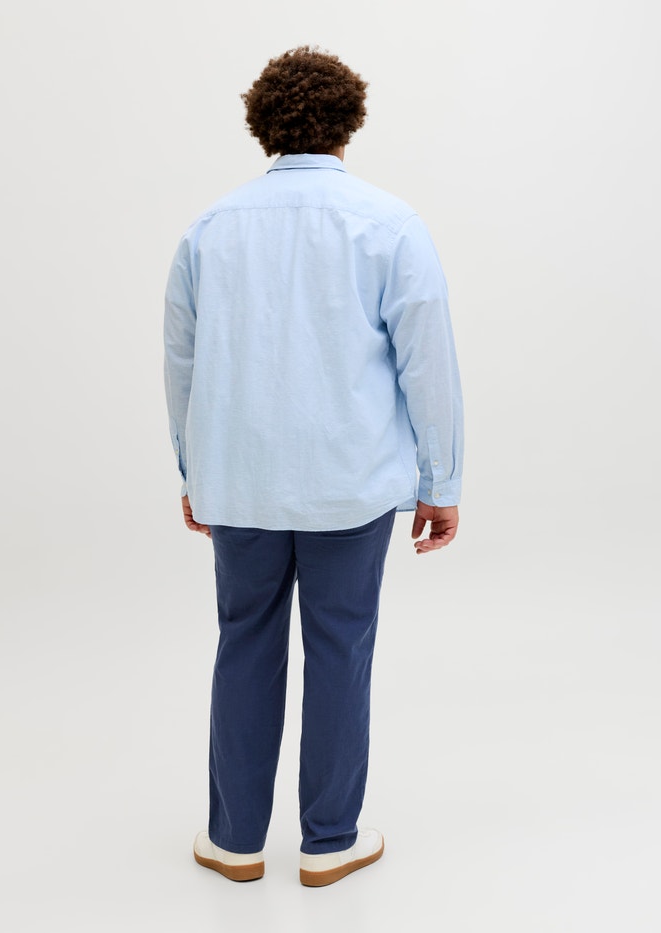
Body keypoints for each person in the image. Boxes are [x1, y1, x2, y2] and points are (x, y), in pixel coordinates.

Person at [163, 45, 464, 887]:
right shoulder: (390, 224)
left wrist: (193, 472)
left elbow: (181, 363)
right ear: (349, 122)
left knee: (244, 643)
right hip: (351, 483)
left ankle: (234, 839)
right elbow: (429, 364)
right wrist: (440, 482)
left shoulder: (210, 229)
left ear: (263, 124)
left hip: (240, 481)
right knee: (340, 648)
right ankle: (330, 841)